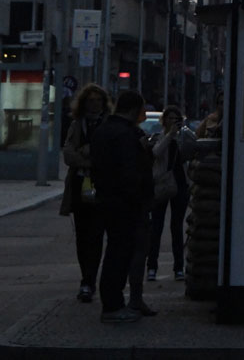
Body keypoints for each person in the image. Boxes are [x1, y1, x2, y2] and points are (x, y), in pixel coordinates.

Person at [89, 90, 154, 323]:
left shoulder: (103, 130)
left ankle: (113, 302)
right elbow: (131, 172)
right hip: (125, 203)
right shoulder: (126, 135)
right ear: (135, 110)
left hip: (107, 199)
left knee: (114, 251)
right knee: (120, 253)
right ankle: (113, 306)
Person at [59, 82, 110, 303]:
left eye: (98, 100)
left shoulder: (107, 125)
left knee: (96, 234)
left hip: (101, 184)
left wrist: (90, 154)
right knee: (82, 235)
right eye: (90, 100)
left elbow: (106, 154)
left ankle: (90, 279)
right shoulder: (76, 125)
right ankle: (85, 279)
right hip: (80, 184)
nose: (94, 104)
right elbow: (69, 154)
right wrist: (86, 159)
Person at [147, 106, 190, 282]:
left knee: (176, 227)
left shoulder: (184, 137)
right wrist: (169, 135)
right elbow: (156, 152)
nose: (173, 123)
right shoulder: (160, 137)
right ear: (164, 121)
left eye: (176, 120)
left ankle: (178, 267)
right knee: (156, 227)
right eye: (170, 119)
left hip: (180, 186)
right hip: (163, 185)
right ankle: (152, 267)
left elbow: (191, 153)